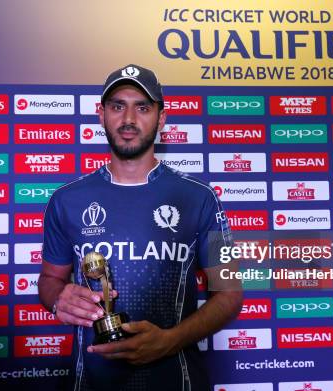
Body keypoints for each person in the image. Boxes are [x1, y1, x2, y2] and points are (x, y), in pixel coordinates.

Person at [38, 64, 242, 391]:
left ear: (160, 119)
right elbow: (50, 280)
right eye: (118, 106)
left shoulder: (202, 199)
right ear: (101, 114)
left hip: (178, 380)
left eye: (143, 107)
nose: (129, 119)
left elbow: (230, 293)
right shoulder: (66, 200)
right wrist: (57, 298)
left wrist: (171, 340)